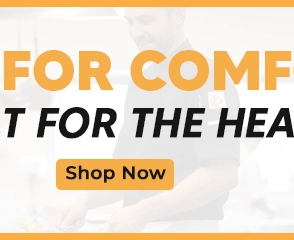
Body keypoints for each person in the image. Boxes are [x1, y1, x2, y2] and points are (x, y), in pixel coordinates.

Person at [56, 7, 243, 233]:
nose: (135, 32)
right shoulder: (142, 83)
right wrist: (84, 201)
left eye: (145, 20)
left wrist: (142, 212)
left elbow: (222, 174)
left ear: (178, 15)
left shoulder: (210, 76)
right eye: (130, 22)